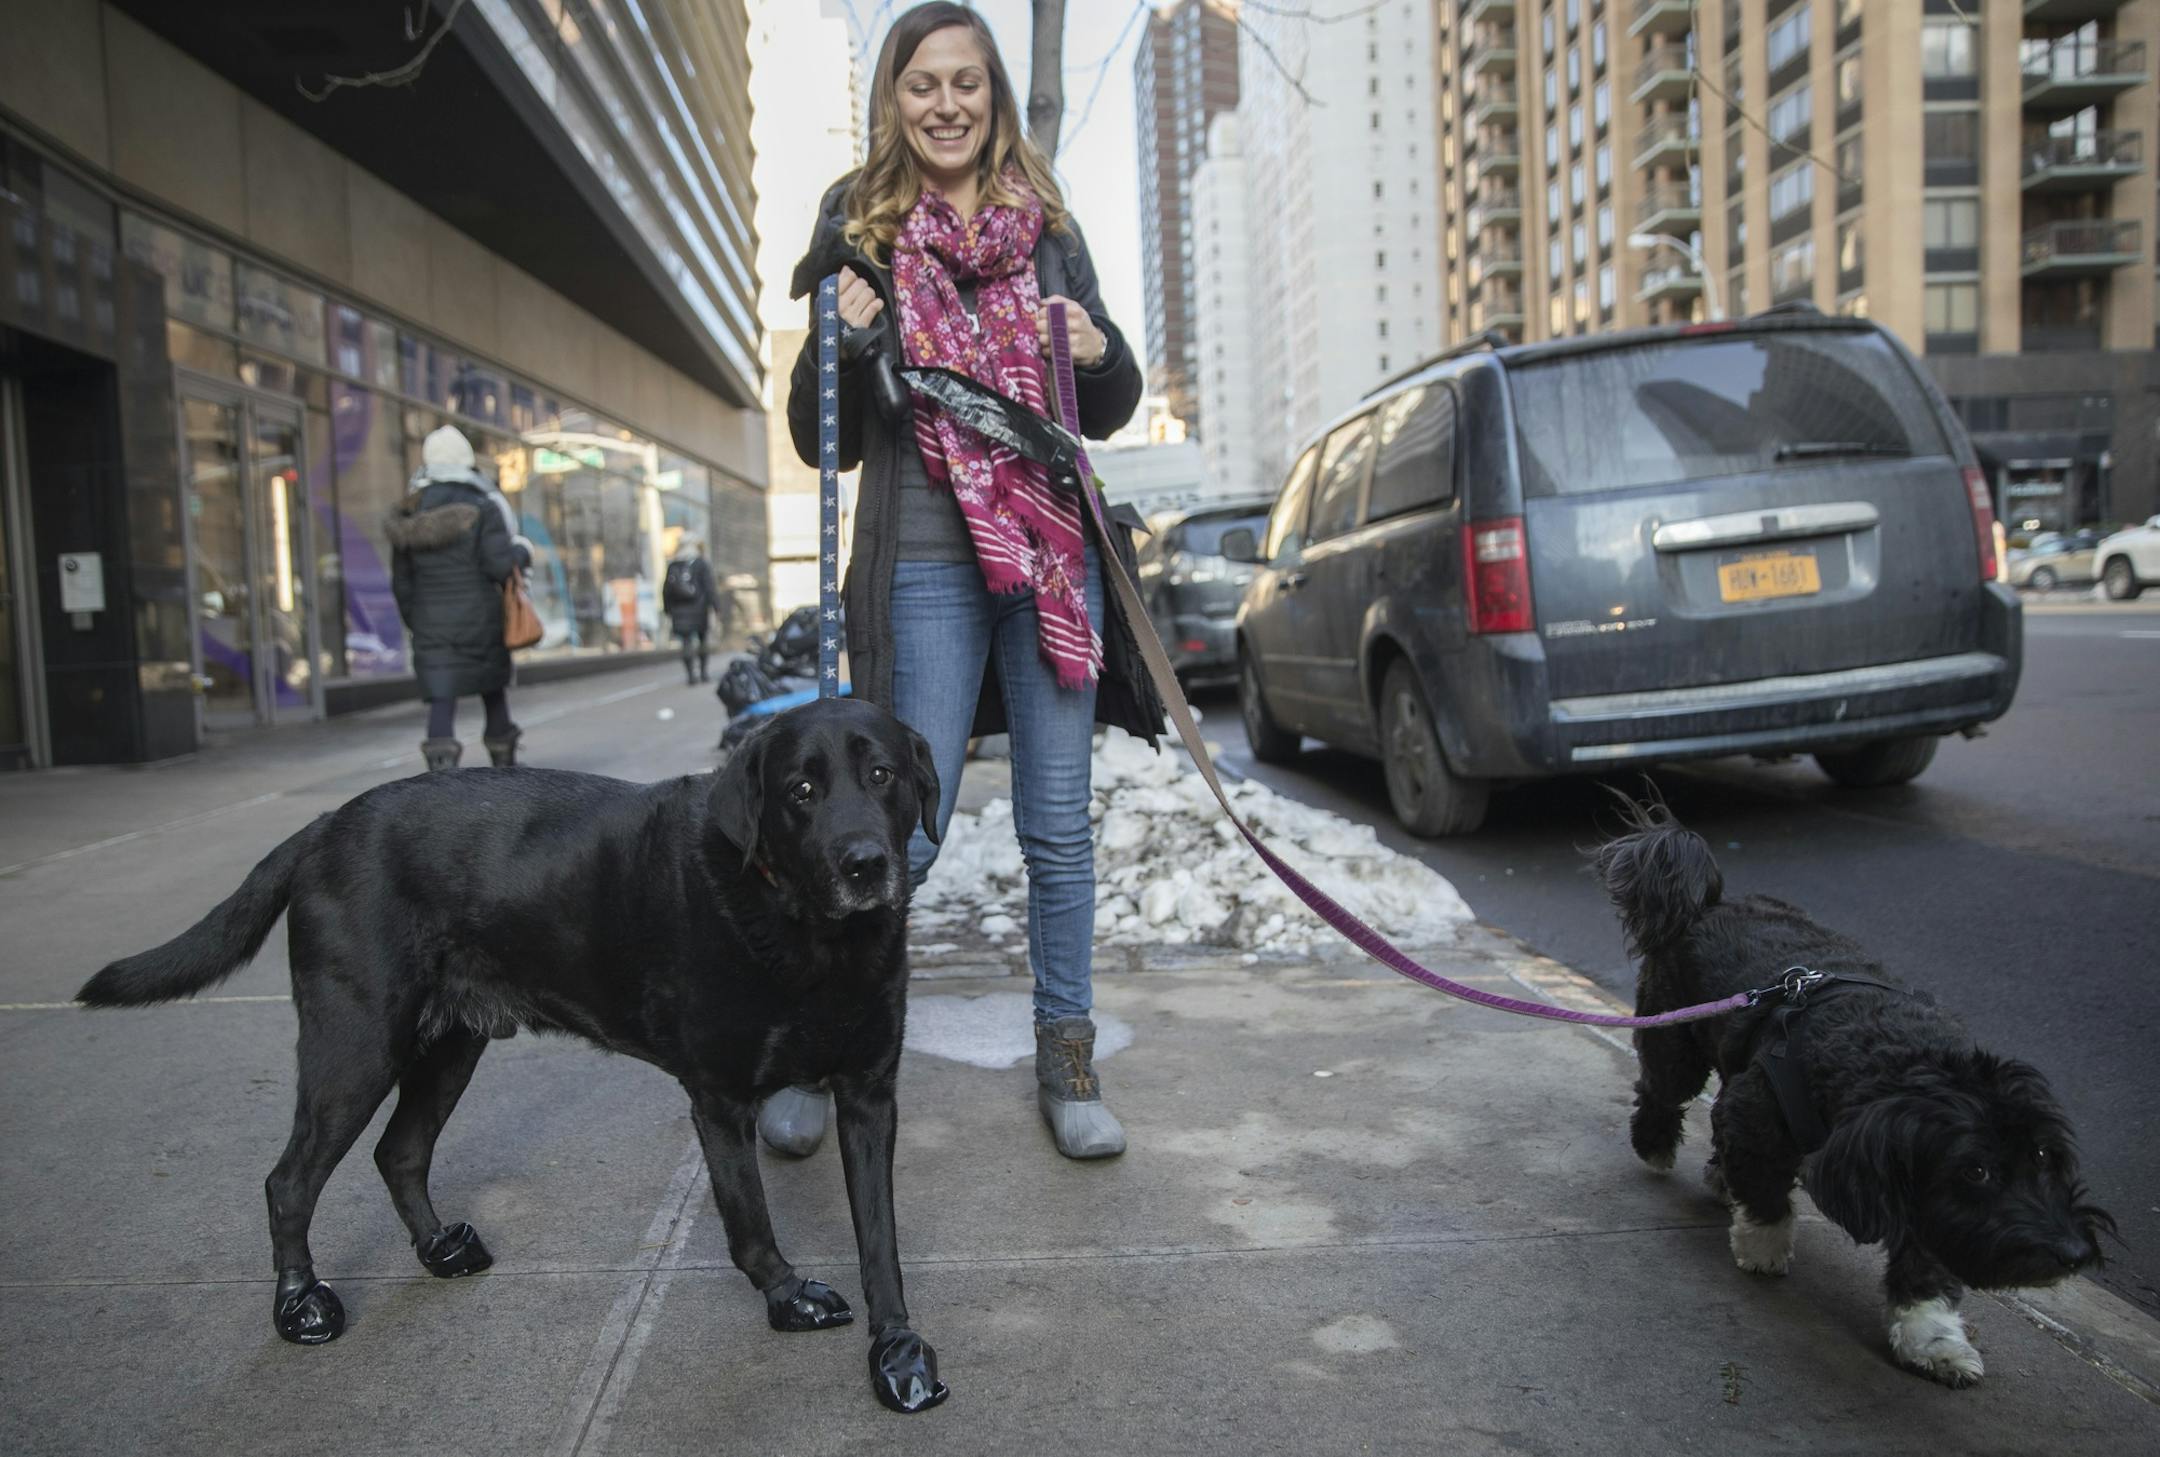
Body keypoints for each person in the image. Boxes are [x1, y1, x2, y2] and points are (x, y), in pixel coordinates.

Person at [773, 1, 1159, 1161]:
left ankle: (1068, 1052)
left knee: (1057, 832)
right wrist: (833, 340)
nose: (946, 104)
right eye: (922, 83)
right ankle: (813, 1040)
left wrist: (1102, 353)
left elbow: (1108, 402)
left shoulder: (1048, 230)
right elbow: (816, 436)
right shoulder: (858, 225)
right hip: (929, 565)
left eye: (966, 83)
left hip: (1052, 562)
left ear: (992, 96)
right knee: (902, 830)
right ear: (894, 98)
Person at [387, 425, 524, 771]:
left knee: (441, 701)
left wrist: (417, 619)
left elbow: (402, 583)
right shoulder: (483, 506)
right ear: (466, 460)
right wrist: (520, 554)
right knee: (492, 691)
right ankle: (504, 769)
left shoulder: (407, 515)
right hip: (482, 618)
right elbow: (499, 568)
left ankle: (441, 778)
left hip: (431, 623)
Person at [664, 538, 721, 685]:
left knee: (686, 642)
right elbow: (709, 587)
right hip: (699, 609)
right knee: (702, 640)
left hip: (679, 611)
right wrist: (715, 606)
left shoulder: (673, 565)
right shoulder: (701, 564)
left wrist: (668, 610)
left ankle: (690, 675)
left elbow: (666, 590)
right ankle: (703, 673)